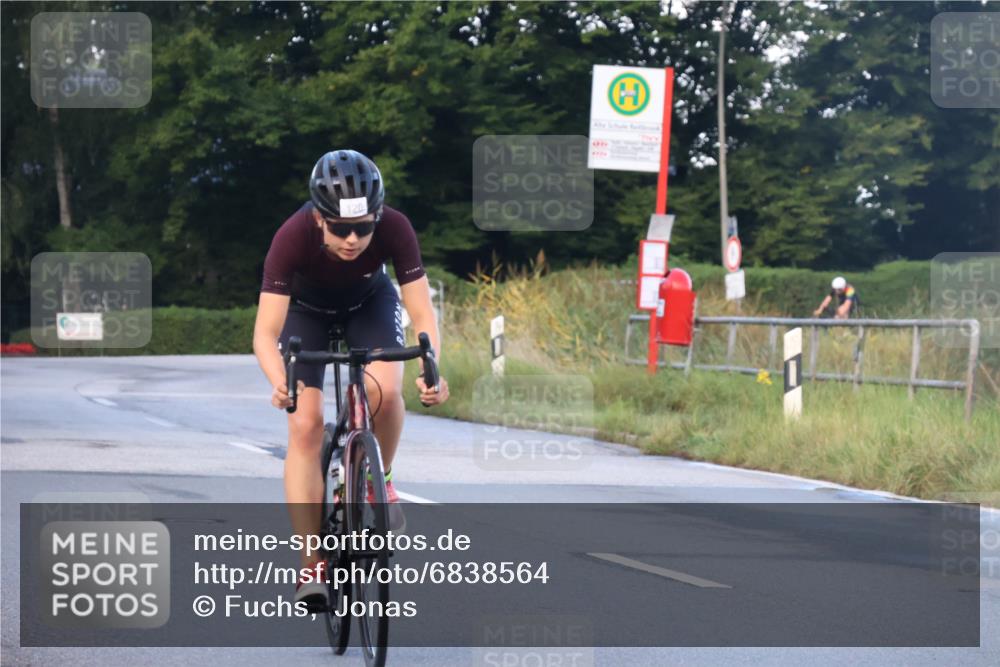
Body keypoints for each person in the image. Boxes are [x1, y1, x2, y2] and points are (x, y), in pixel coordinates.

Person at [252, 149, 449, 607]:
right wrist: (279, 381)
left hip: (369, 304)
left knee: (388, 391)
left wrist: (432, 368)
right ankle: (312, 564)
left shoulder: (396, 227)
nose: (353, 239)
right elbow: (264, 333)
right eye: (340, 229)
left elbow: (422, 314)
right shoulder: (292, 236)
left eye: (363, 227)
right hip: (306, 313)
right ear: (319, 218)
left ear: (377, 215)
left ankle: (379, 478)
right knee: (305, 424)